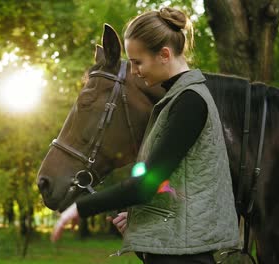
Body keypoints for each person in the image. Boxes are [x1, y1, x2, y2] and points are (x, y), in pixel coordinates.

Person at [51, 6, 239, 264]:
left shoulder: (190, 102)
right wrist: (143, 216)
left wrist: (78, 208)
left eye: (137, 62)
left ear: (163, 54)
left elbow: (144, 186)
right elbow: (179, 183)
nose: (135, 71)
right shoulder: (176, 100)